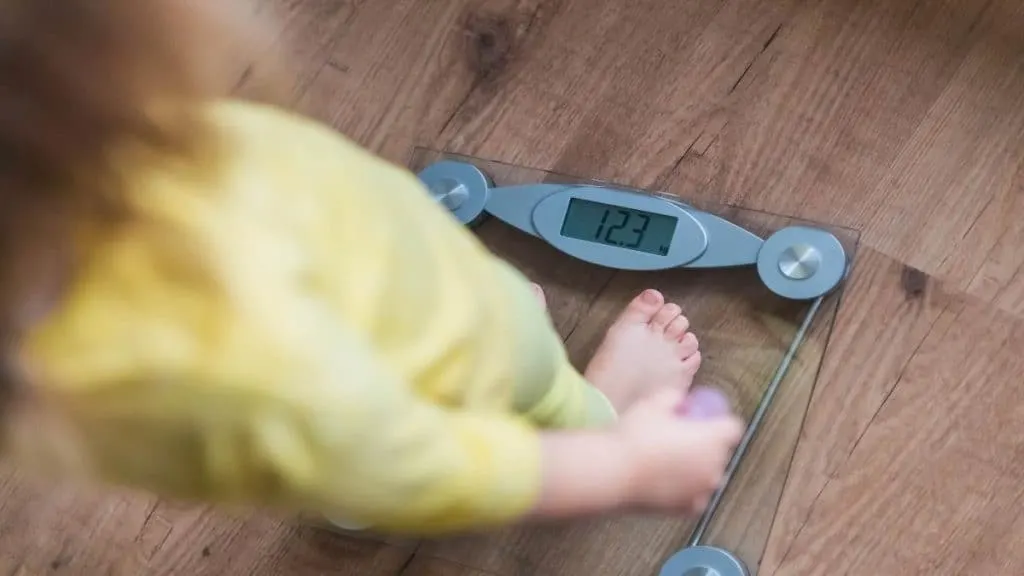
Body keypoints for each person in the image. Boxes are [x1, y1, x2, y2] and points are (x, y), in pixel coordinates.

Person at [0, 0, 744, 534]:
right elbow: (442, 471)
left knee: (339, 447)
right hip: (424, 368)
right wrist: (628, 471)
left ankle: (346, 480)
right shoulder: (239, 362)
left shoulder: (89, 161)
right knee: (473, 394)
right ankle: (592, 415)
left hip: (354, 339)